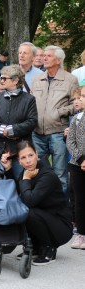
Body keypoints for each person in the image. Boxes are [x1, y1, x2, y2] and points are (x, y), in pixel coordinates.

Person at [1, 140, 72, 265]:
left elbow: (29, 201)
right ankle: (34, 246)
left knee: (27, 211)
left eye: (31, 155)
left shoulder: (47, 175)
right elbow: (17, 194)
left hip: (61, 227)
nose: (28, 161)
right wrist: (8, 170)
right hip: (45, 218)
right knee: (20, 209)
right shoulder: (26, 172)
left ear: (37, 154)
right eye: (23, 157)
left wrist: (26, 179)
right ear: (19, 160)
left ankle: (49, 249)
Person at [31, 45, 79, 193]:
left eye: (48, 56)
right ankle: (44, 210)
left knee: (60, 175)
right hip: (37, 133)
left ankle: (61, 212)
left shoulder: (70, 79)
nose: (44, 58)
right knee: (39, 173)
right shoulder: (37, 79)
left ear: (58, 60)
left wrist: (59, 111)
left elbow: (76, 104)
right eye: (44, 55)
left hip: (58, 133)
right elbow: (31, 102)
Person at [0, 64, 38, 178]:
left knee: (20, 181)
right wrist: (2, 129)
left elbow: (32, 122)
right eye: (1, 77)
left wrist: (12, 130)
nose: (1, 80)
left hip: (19, 149)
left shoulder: (29, 99)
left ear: (15, 81)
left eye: (4, 78)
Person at [66, 86, 85, 249]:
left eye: (84, 96)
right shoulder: (77, 119)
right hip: (77, 165)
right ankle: (81, 233)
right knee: (79, 200)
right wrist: (81, 158)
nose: (82, 99)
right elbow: (70, 141)